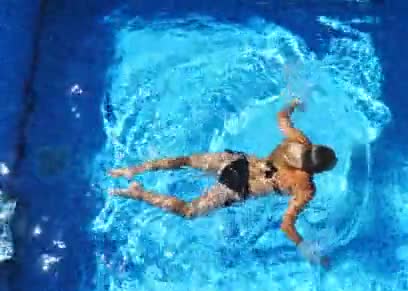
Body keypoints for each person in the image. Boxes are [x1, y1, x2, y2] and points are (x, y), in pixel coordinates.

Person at [108, 98, 337, 268]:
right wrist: (305, 247)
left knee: (185, 161)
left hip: (238, 161)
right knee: (189, 211)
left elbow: (282, 117)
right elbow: (286, 225)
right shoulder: (305, 187)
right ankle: (139, 193)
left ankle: (134, 169)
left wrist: (294, 103)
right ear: (319, 170)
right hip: (236, 187)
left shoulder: (299, 141)